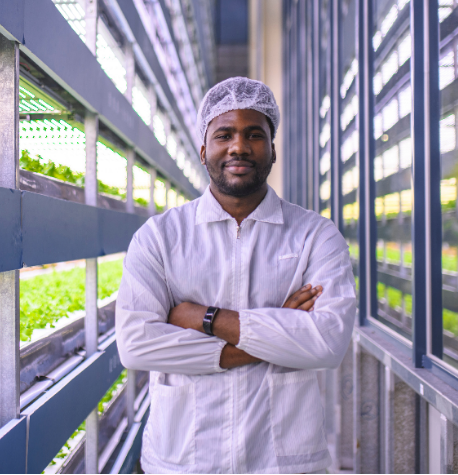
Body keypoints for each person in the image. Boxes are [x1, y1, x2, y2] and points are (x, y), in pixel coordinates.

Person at [116, 77, 356, 474]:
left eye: (254, 135)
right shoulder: (160, 238)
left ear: (273, 149)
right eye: (224, 134)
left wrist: (206, 319)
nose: (239, 147)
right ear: (203, 149)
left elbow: (328, 344)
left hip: (282, 462)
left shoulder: (316, 235)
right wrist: (282, 325)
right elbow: (136, 345)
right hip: (184, 461)